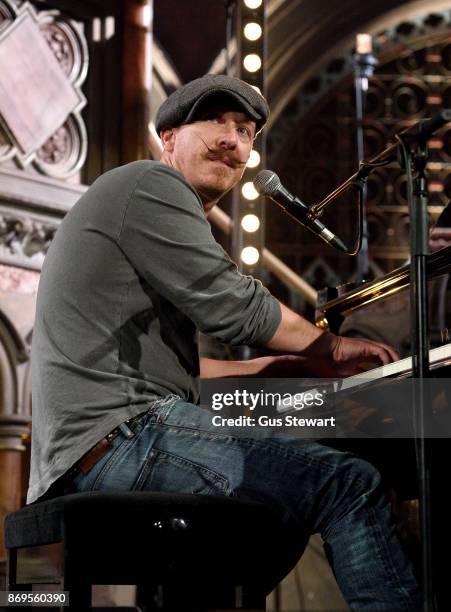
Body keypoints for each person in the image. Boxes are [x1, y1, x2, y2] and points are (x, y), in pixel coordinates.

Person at [28, 74, 422, 609]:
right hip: (120, 439)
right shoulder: (150, 184)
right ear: (169, 137)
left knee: (284, 503)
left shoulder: (139, 206)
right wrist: (329, 348)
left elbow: (184, 375)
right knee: (347, 482)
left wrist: (272, 368)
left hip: (105, 439)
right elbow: (232, 306)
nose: (233, 141)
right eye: (214, 121)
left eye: (245, 131)